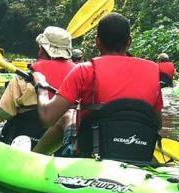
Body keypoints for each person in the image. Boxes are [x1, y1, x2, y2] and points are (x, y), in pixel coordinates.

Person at [35, 12, 163, 163]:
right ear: (129, 42)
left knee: (67, 115)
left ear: (97, 42)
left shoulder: (84, 71)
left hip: (94, 152)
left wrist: (41, 86)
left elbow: (47, 118)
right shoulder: (153, 72)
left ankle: (33, 158)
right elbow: (157, 123)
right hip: (138, 150)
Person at [0, 26, 75, 147]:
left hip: (22, 144)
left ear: (42, 49)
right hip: (59, 146)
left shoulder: (22, 80)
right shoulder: (79, 77)